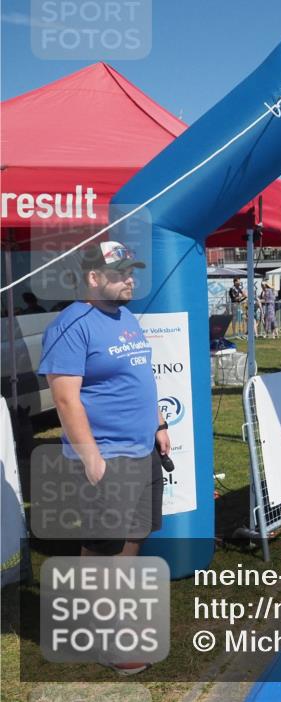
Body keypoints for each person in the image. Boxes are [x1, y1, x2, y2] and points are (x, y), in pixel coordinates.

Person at [38, 241, 171, 676]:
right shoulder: (71, 324)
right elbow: (64, 399)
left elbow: (142, 375)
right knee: (102, 544)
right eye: (119, 272)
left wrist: (158, 425)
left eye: (131, 270)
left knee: (134, 535)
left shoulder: (126, 317)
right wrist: (91, 458)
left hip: (142, 451)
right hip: (107, 456)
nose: (129, 278)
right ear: (93, 278)